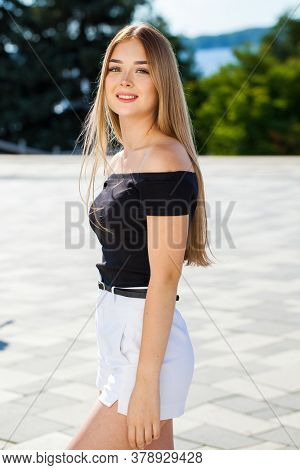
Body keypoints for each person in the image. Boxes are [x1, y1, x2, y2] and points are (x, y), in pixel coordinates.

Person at [66, 22, 213, 451]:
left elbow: (164, 280)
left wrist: (146, 385)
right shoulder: (122, 161)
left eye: (142, 70)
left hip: (144, 345)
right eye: (116, 67)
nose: (125, 80)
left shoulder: (166, 159)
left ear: (161, 82)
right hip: (119, 333)